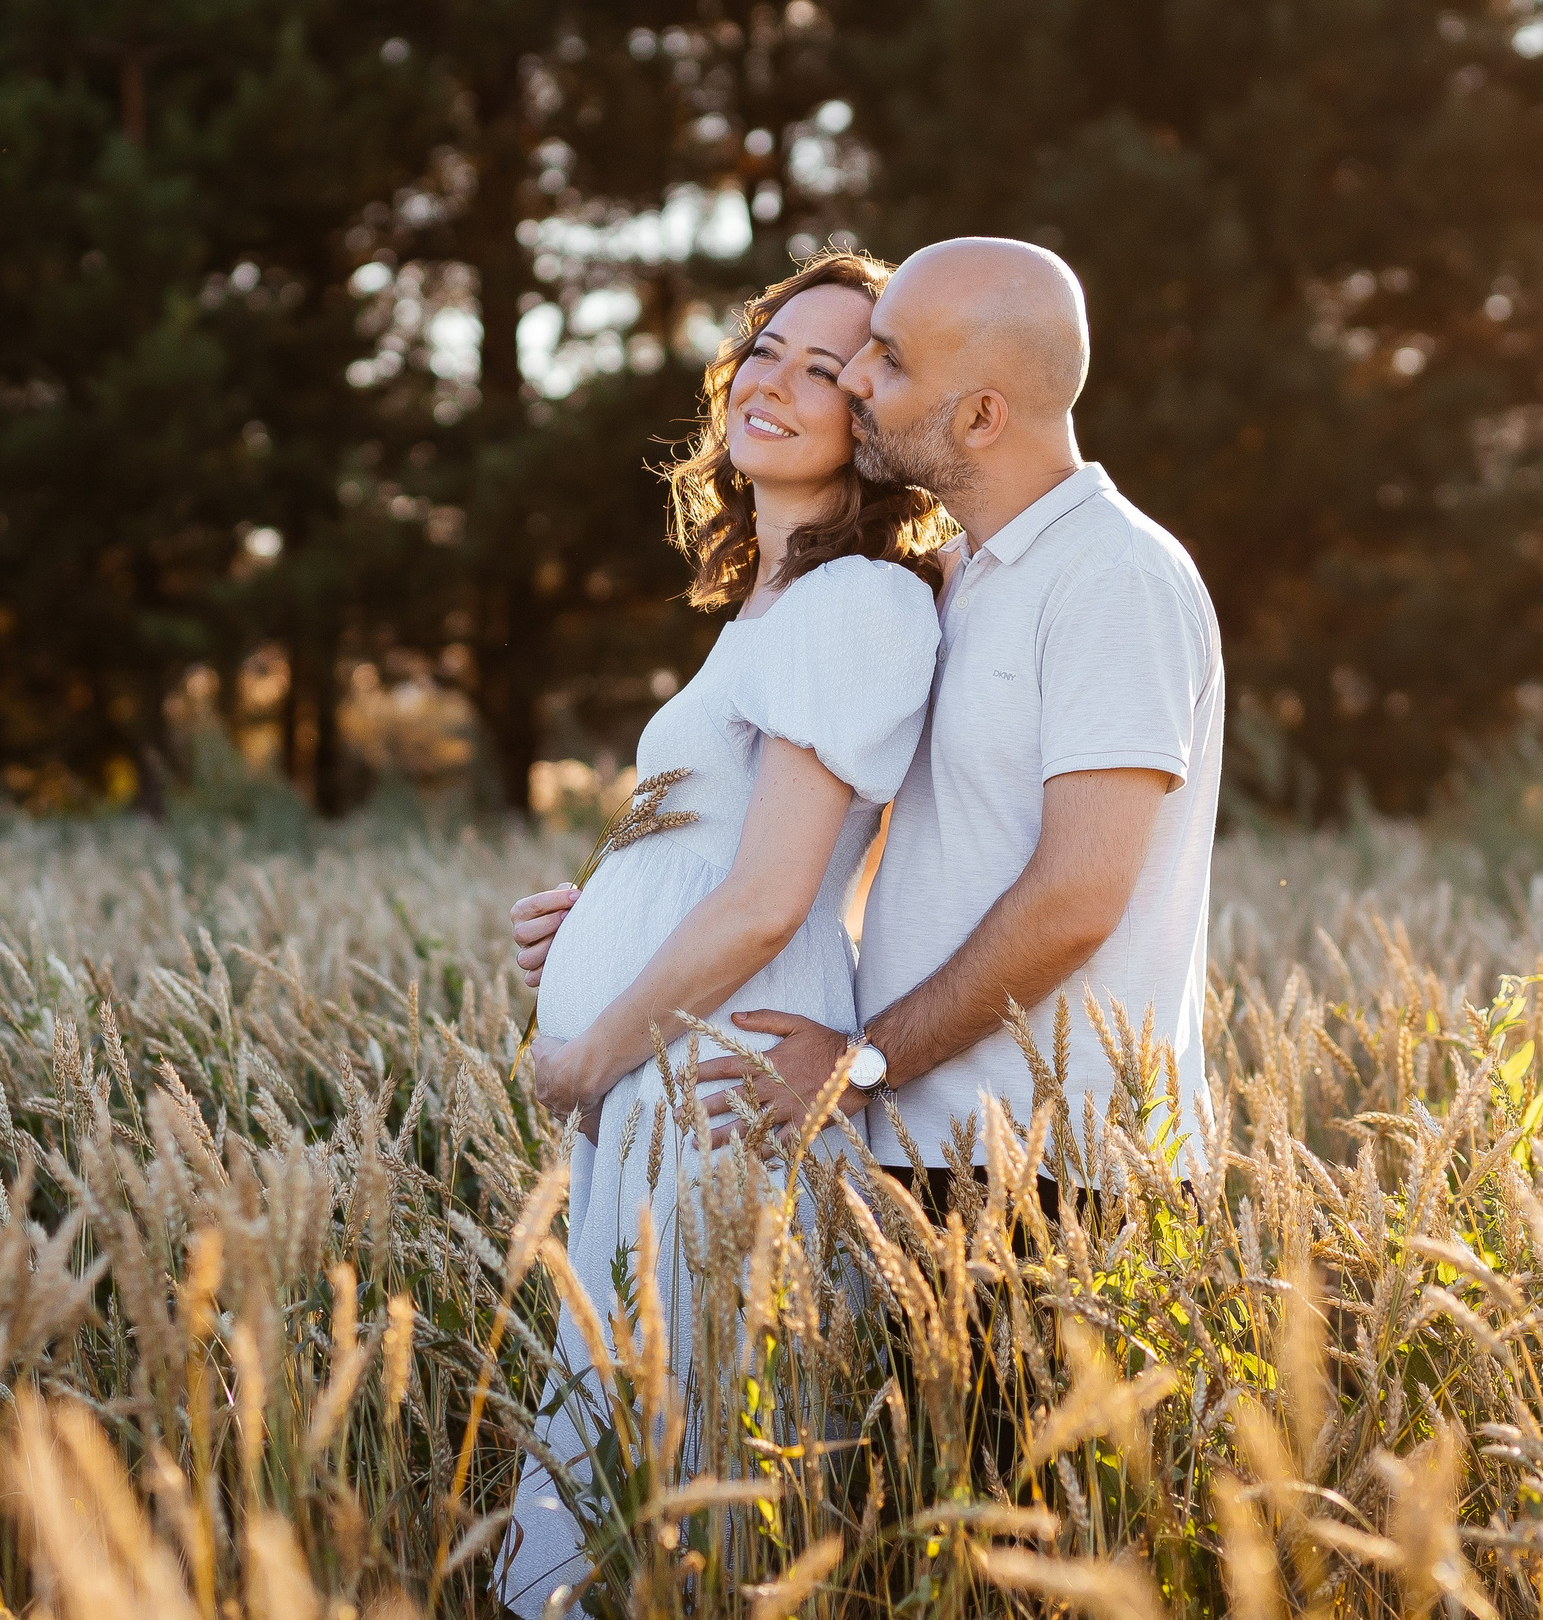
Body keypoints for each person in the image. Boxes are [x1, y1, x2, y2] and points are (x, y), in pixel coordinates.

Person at [512, 234, 1224, 1222]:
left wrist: (866, 1060)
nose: (853, 379)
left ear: (979, 414)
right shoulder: (958, 583)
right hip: (928, 1141)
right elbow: (849, 853)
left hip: (1057, 1165)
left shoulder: (1112, 576)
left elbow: (1078, 894)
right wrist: (616, 924)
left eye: (883, 360)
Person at [496, 249, 952, 1619]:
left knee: (680, 1468)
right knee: (626, 1453)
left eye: (830, 367)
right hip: (663, 1064)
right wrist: (601, 911)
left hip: (705, 1083)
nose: (780, 379)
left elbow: (769, 902)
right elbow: (724, 856)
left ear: (874, 425)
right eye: (768, 346)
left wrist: (585, 1056)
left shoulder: (859, 599)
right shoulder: (770, 601)